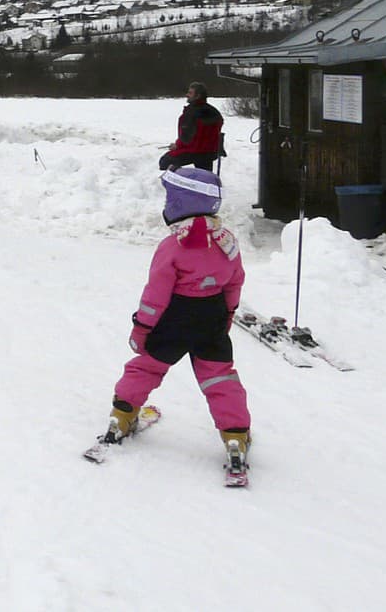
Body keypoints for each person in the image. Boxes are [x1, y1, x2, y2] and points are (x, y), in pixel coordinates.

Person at [99, 167, 251, 478]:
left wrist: (142, 328)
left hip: (173, 321)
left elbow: (155, 294)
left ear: (179, 204)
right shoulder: (227, 242)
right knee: (220, 378)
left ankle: (122, 416)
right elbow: (235, 282)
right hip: (211, 319)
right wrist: (228, 314)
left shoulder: (172, 247)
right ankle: (235, 436)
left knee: (146, 367)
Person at [159, 81, 224, 171]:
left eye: (190, 93)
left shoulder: (191, 113)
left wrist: (177, 145)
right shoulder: (214, 112)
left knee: (165, 161)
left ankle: (180, 180)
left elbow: (186, 138)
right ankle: (203, 181)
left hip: (195, 151)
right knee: (204, 173)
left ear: (198, 96)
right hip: (210, 152)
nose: (187, 95)